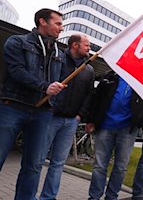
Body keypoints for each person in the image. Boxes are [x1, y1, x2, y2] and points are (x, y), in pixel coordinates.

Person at [0, 8, 66, 199]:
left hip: (42, 113)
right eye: (58, 23)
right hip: (12, 105)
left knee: (34, 165)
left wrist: (53, 98)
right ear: (42, 22)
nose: (61, 28)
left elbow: (59, 81)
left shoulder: (59, 53)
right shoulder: (17, 42)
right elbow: (16, 71)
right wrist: (44, 87)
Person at [40, 34, 94, 200]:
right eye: (86, 45)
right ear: (75, 45)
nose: (89, 48)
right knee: (37, 159)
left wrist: (79, 115)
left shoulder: (89, 69)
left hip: (71, 121)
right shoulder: (57, 59)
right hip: (50, 117)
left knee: (58, 163)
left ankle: (48, 197)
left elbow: (89, 95)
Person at [86, 71, 143, 200]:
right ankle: (94, 197)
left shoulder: (141, 80)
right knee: (99, 165)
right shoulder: (110, 76)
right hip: (105, 126)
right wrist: (91, 119)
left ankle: (111, 196)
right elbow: (97, 98)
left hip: (127, 130)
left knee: (121, 167)